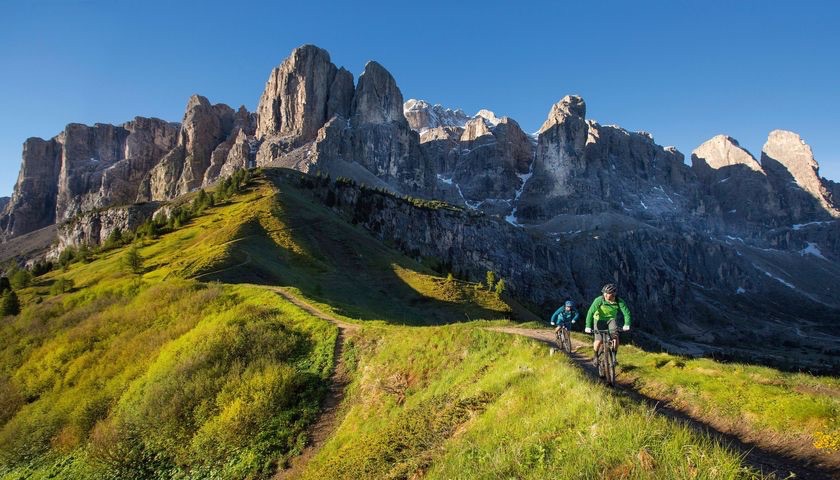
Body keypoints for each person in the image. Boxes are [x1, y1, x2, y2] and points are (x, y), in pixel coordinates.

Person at [585, 283, 631, 366]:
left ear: (613, 294)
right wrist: (588, 326)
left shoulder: (619, 301)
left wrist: (626, 324)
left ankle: (614, 357)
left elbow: (626, 313)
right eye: (604, 293)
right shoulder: (599, 300)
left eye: (607, 294)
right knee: (598, 340)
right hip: (599, 320)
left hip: (611, 320)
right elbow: (590, 312)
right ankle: (595, 356)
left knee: (615, 338)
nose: (605, 295)